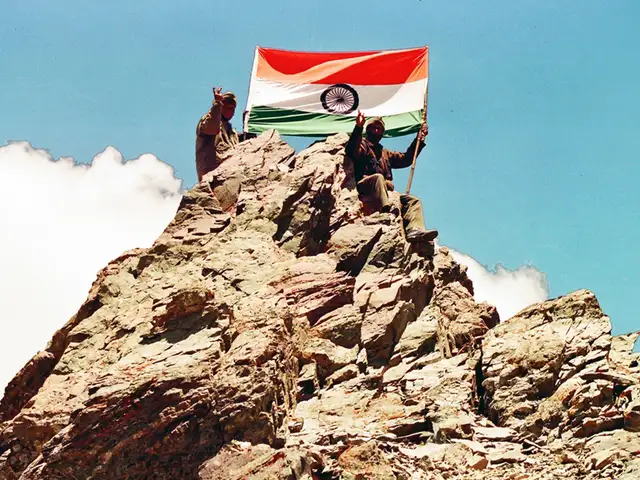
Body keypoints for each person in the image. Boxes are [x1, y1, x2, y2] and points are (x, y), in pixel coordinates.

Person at [345, 111, 438, 243]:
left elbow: (405, 159)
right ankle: (385, 213)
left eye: (379, 129)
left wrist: (419, 139)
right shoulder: (363, 146)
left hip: (385, 192)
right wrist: (358, 127)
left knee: (412, 200)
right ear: (368, 130)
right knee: (378, 178)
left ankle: (414, 229)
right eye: (373, 128)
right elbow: (351, 150)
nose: (376, 131)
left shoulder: (385, 153)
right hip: (365, 187)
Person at [195, 87, 240, 181]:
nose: (232, 111)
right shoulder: (210, 120)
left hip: (228, 175)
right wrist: (217, 104)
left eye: (233, 108)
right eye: (229, 107)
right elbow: (211, 128)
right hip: (211, 177)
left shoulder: (231, 132)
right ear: (222, 106)